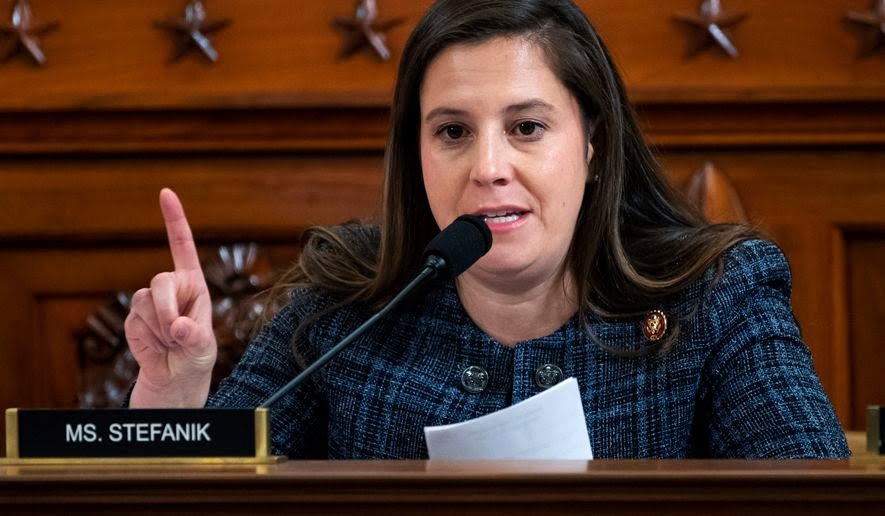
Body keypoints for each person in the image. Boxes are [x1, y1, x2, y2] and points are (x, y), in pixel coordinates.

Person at [124, 0, 849, 459]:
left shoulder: (715, 298)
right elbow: (203, 492)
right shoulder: (344, 303)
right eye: (452, 132)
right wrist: (172, 394)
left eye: (527, 127)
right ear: (416, 153)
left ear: (592, 143)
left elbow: (815, 499)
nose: (488, 167)